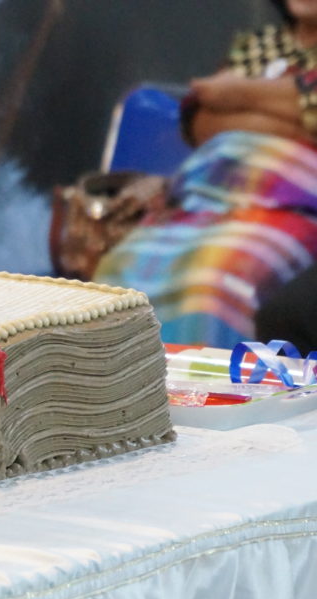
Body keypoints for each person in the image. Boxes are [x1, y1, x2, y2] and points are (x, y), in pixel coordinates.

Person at [92, 0, 317, 349]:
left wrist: (238, 95)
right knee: (116, 275)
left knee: (214, 285)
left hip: (296, 204)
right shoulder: (259, 44)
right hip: (208, 194)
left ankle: (222, 383)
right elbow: (200, 121)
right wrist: (295, 111)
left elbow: (216, 98)